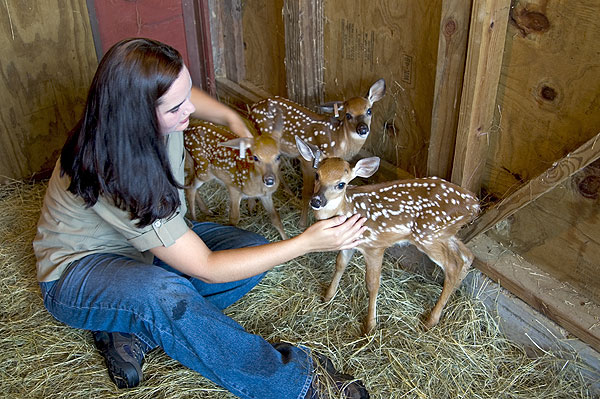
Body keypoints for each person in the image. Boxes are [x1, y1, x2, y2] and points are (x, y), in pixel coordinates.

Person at [32, 38, 370, 399]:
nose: (190, 108)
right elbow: (206, 266)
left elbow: (184, 94)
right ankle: (298, 384)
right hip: (81, 272)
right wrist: (305, 243)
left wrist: (231, 118)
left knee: (253, 250)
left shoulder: (147, 117)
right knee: (165, 294)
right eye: (177, 106)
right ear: (139, 114)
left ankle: (130, 327)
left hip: (147, 253)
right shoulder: (117, 168)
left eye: (186, 92)